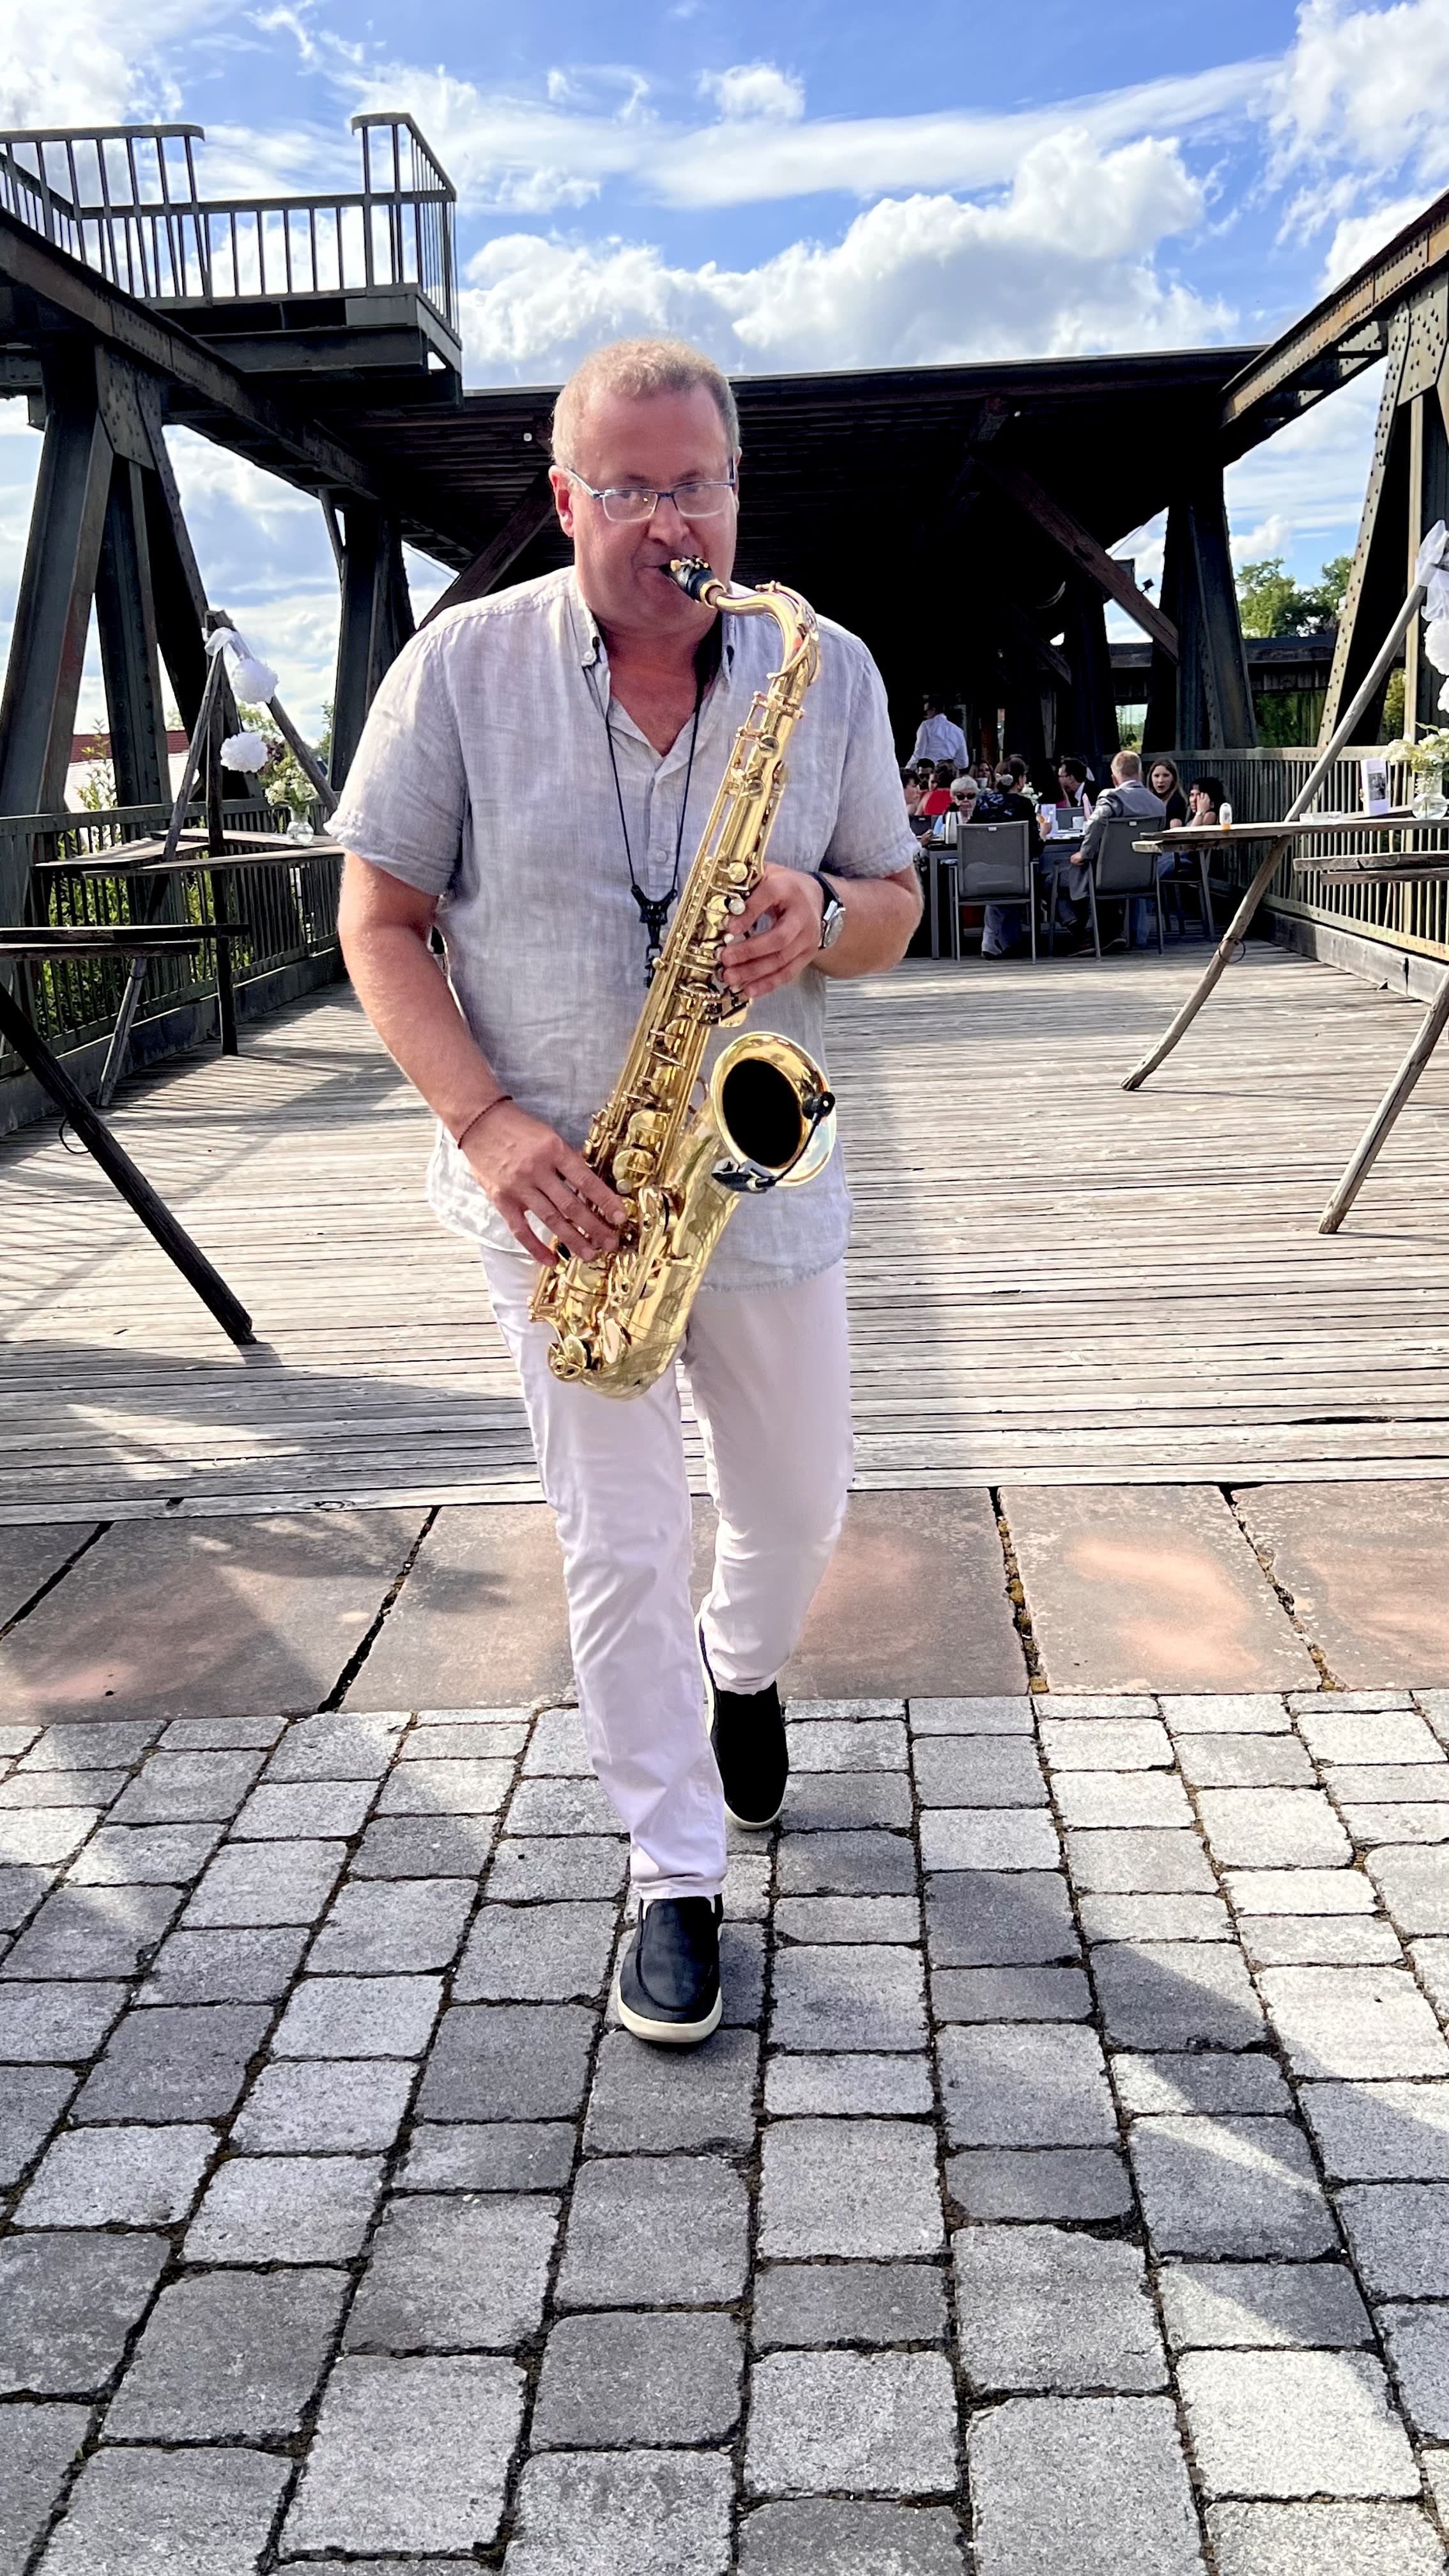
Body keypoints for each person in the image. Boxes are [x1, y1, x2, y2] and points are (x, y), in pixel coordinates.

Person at [330, 335, 919, 2048]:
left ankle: (745, 1669)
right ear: (566, 498)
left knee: (797, 1505)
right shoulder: (458, 671)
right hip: (557, 1202)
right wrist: (486, 1126)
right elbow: (377, 921)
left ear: (737, 486)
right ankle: (671, 1872)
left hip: (758, 1177)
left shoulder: (821, 665)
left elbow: (893, 904)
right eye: (637, 488)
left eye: (701, 484)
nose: (678, 522)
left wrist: (824, 914)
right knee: (619, 1540)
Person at [1061, 749, 1166, 951]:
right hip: (1144, 874)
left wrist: (1084, 853)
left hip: (1108, 876)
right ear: (1141, 774)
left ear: (1114, 778)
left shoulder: (1112, 798)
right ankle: (1110, 932)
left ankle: (1085, 935)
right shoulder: (1158, 805)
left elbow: (1098, 820)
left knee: (1055, 879)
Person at [976, 756, 1043, 956]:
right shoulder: (1024, 805)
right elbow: (1035, 848)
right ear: (1020, 780)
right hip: (1016, 875)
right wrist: (1045, 834)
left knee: (1000, 877)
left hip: (980, 874)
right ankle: (1005, 940)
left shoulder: (982, 802)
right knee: (1027, 872)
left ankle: (1002, 941)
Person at [910, 695, 967, 769]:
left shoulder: (926, 726)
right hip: (950, 772)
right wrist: (950, 765)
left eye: (926, 712)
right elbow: (964, 762)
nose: (925, 716)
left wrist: (909, 769)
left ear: (933, 710)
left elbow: (919, 752)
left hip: (931, 770)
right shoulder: (958, 731)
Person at [1147, 756, 1188, 828]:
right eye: (1156, 776)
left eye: (1166, 776)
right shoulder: (1145, 800)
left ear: (1173, 778)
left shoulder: (1177, 802)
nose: (1160, 780)